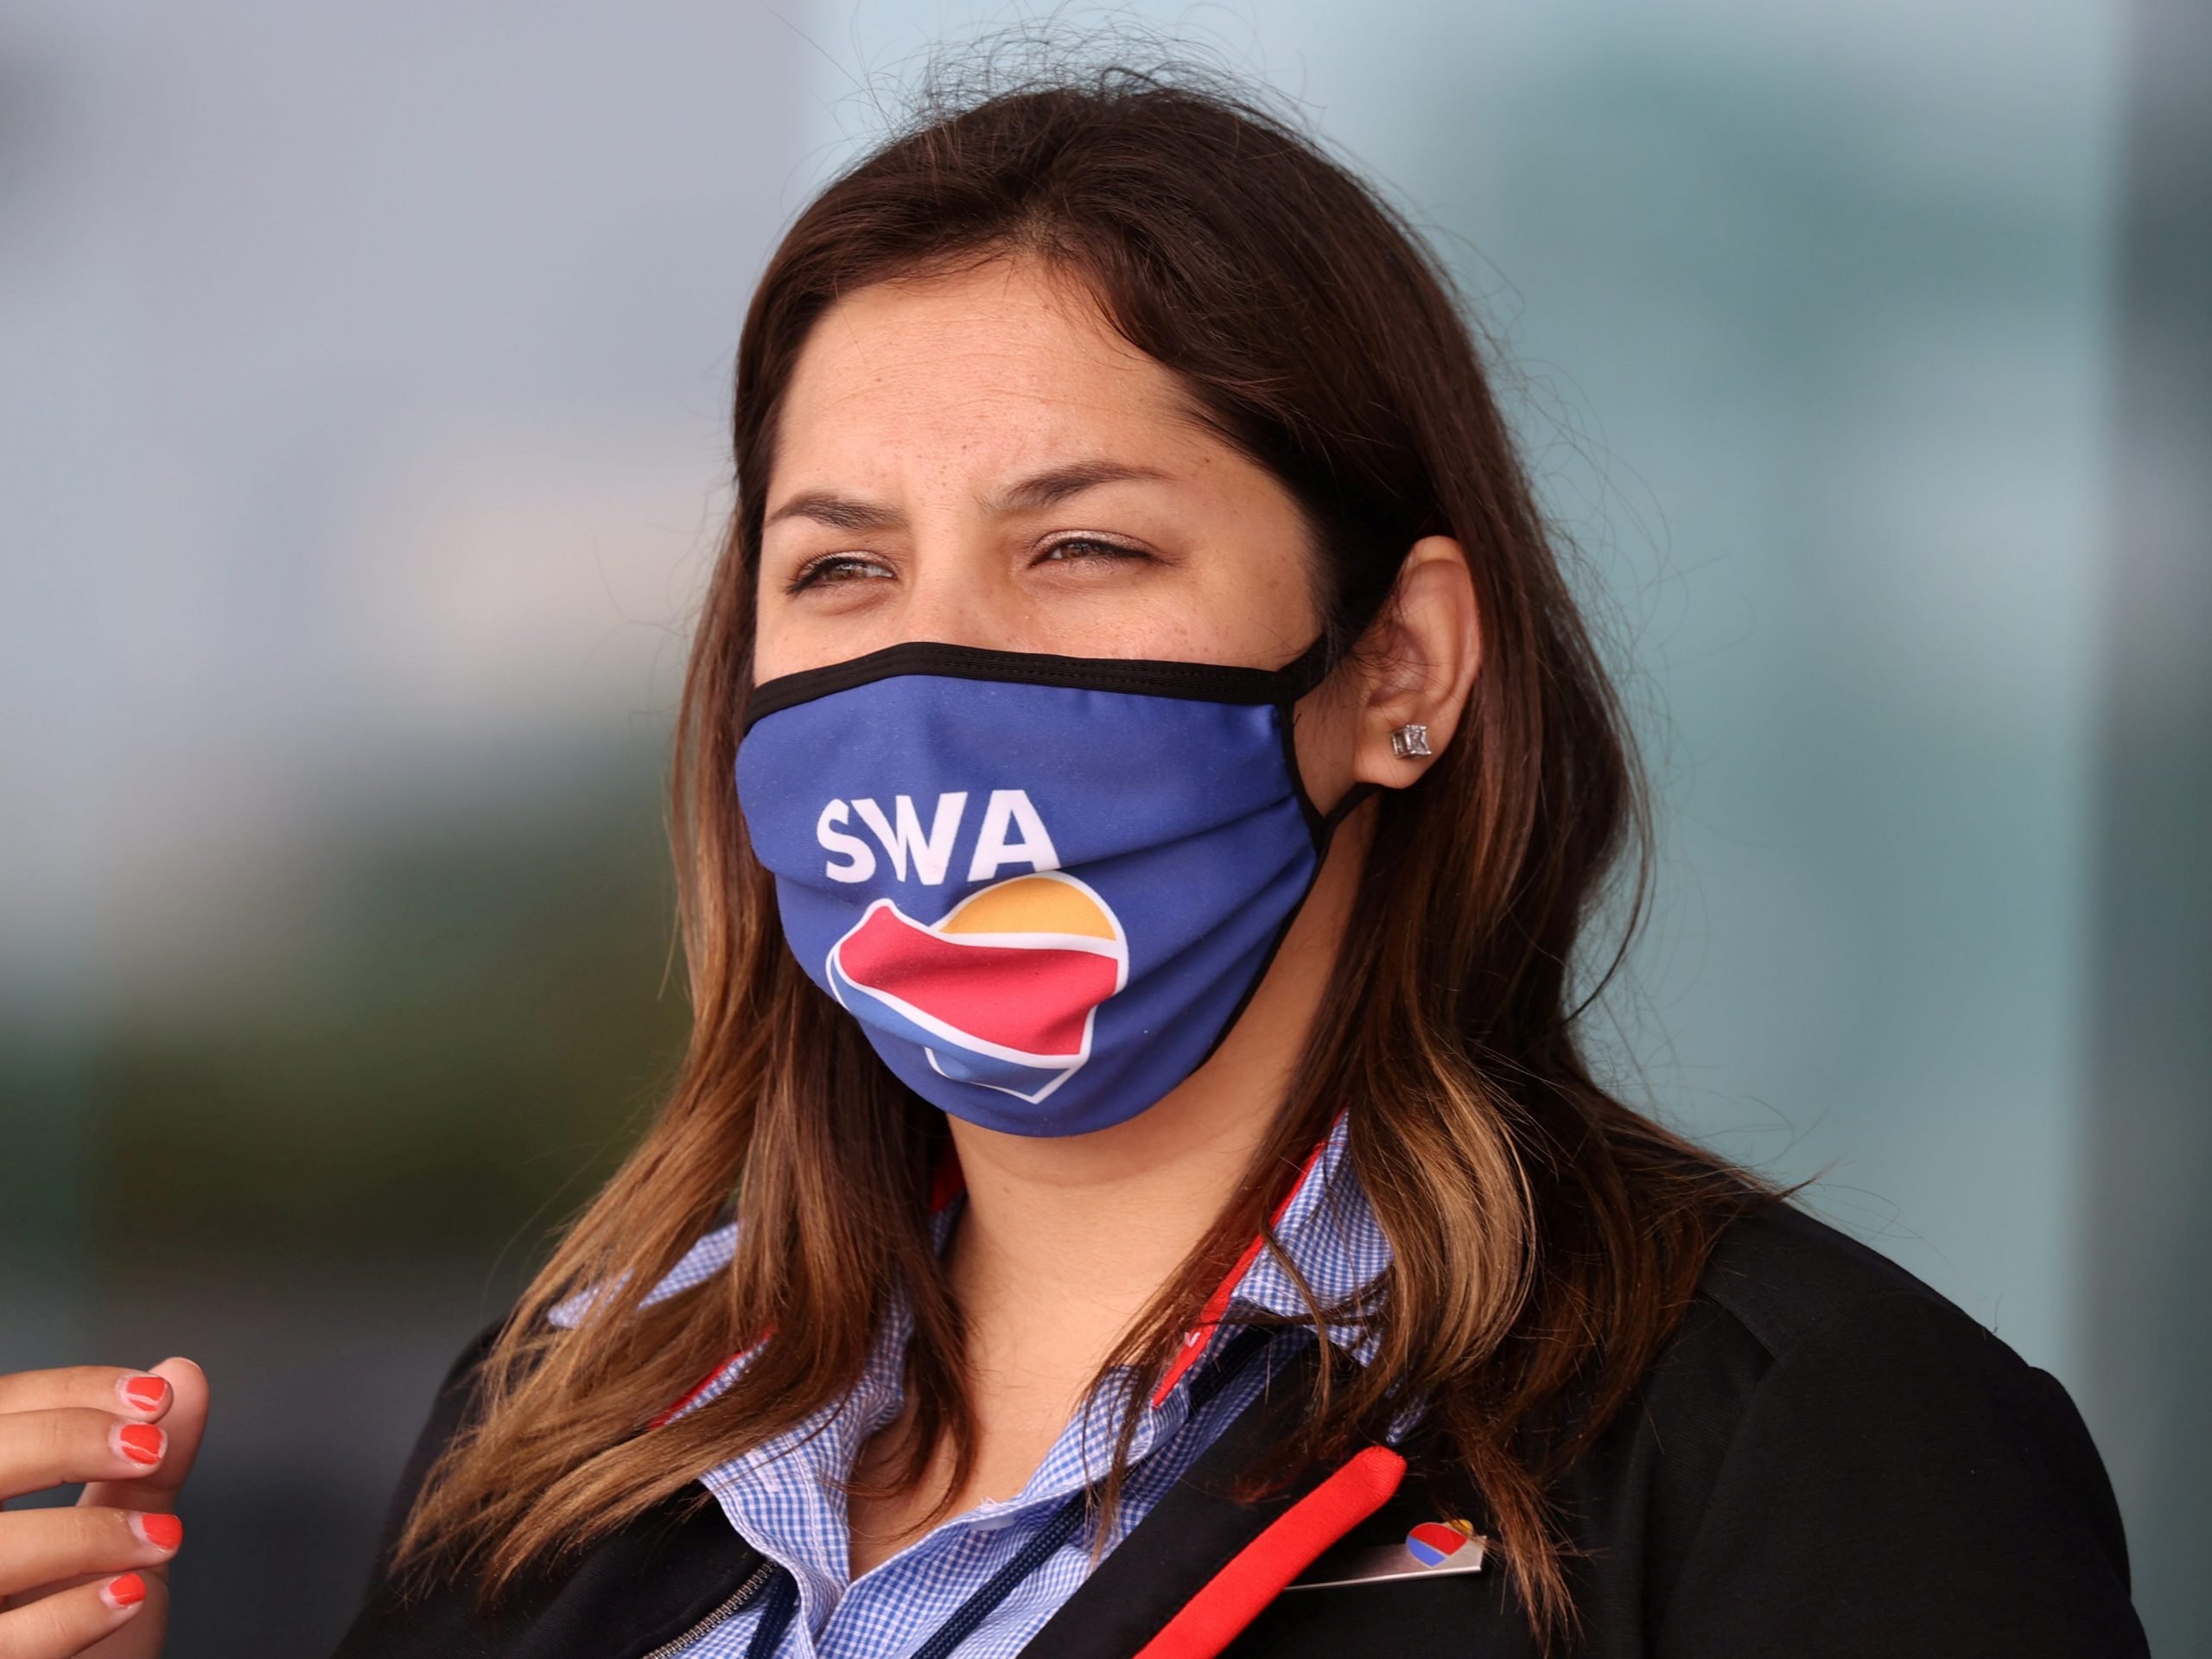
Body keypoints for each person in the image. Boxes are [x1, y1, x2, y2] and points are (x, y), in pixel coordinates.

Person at [0, 64, 2147, 1659]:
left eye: (1083, 547)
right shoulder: (568, 1426)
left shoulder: (1795, 1444)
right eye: (840, 572)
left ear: (1397, 666)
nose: (939, 676)